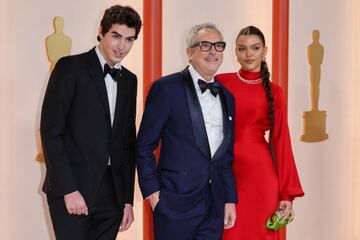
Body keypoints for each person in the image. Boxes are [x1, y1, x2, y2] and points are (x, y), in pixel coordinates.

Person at [40, 5, 142, 240]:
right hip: (74, 187)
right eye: (116, 36)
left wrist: (126, 199)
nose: (121, 46)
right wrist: (68, 189)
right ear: (101, 32)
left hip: (113, 194)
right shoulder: (69, 68)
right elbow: (52, 132)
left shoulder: (129, 80)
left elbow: (127, 142)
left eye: (129, 39)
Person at [136, 23, 237, 240]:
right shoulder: (165, 88)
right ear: (189, 52)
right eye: (205, 45)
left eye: (219, 45)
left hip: (215, 205)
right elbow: (144, 145)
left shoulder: (228, 97)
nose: (213, 51)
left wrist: (229, 198)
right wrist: (153, 193)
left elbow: (226, 156)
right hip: (174, 202)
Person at [216, 26, 304, 239]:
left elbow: (281, 140)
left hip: (259, 174)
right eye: (242, 49)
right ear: (235, 52)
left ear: (265, 51)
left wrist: (286, 194)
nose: (248, 54)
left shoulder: (275, 91)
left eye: (255, 48)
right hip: (224, 169)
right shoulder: (220, 82)